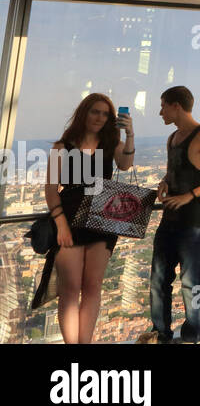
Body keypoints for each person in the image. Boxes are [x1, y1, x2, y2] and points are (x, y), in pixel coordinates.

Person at [138, 85, 200, 344]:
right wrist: (164, 182)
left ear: (176, 105)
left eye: (163, 106)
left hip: (193, 224)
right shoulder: (173, 138)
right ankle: (160, 333)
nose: (160, 113)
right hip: (169, 221)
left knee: (194, 284)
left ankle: (193, 336)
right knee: (158, 280)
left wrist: (190, 195)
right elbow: (175, 170)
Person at [44, 93, 134, 344]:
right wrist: (61, 224)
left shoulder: (110, 144)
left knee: (93, 286)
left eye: (106, 114)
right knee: (70, 289)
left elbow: (125, 165)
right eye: (96, 111)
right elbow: (51, 190)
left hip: (102, 220)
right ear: (84, 112)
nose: (100, 118)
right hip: (70, 221)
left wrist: (130, 135)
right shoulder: (62, 147)